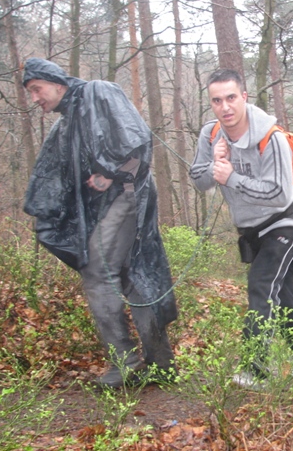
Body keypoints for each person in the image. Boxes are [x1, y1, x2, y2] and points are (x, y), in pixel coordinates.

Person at [22, 58, 178, 388]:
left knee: (97, 270)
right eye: (30, 93)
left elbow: (136, 138)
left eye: (37, 89)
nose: (35, 98)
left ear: (57, 83)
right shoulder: (65, 122)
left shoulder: (98, 92)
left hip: (127, 192)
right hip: (111, 201)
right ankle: (160, 362)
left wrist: (109, 174)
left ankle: (126, 361)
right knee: (127, 273)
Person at [190, 69, 293, 386]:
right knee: (283, 290)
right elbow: (198, 180)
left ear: (244, 97)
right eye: (216, 100)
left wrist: (231, 178)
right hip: (251, 229)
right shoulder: (210, 134)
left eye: (231, 98)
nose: (225, 107)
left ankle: (256, 369)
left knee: (262, 284)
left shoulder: (271, 138)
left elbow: (278, 192)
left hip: (285, 220)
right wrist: (214, 163)